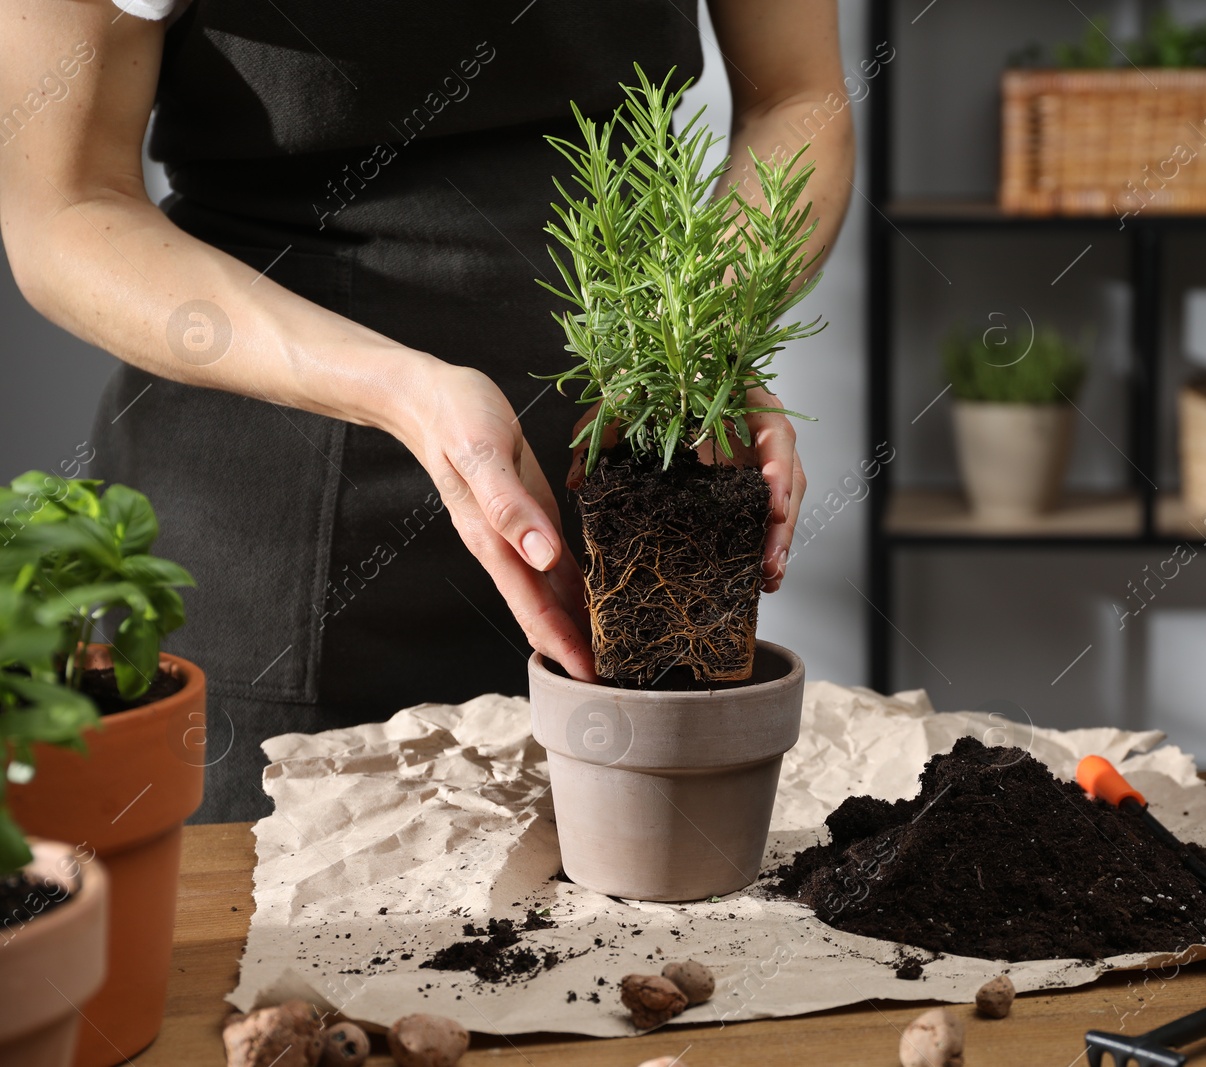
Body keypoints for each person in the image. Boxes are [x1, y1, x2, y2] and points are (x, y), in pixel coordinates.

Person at [0, 0, 854, 821]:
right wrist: (397, 388)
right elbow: (64, 206)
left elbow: (796, 96)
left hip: (607, 518)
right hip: (280, 550)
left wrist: (703, 335)